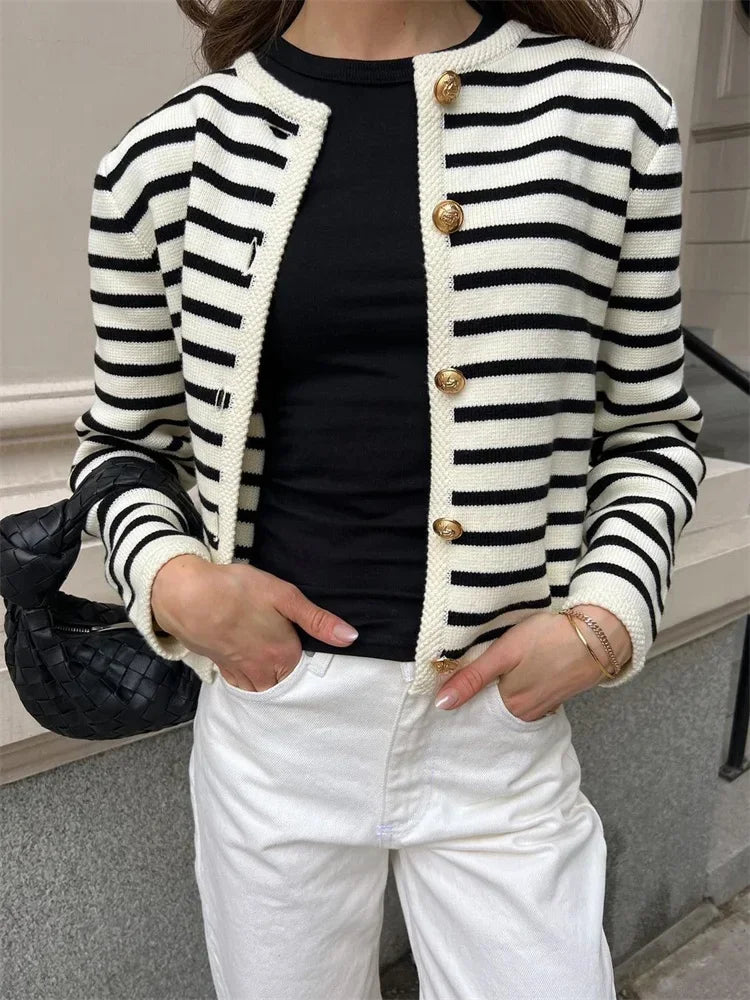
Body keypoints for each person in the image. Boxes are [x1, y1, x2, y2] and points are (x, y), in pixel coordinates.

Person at [69, 0, 706, 997]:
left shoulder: (608, 117)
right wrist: (176, 582)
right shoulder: (166, 159)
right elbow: (120, 444)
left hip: (499, 732)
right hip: (276, 730)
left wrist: (604, 619)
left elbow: (650, 433)